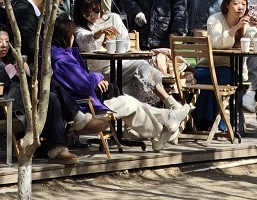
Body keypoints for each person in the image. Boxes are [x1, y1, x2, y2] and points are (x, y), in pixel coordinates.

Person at [50, 17, 191, 152]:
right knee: (130, 104)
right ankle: (164, 124)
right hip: (87, 107)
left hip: (88, 102)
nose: (73, 38)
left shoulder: (60, 56)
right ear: (66, 37)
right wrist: (98, 76)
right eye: (72, 35)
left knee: (130, 103)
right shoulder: (63, 60)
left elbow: (80, 82)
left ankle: (163, 128)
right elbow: (85, 85)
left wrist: (97, 80)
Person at [0, 24, 92, 165]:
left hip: (27, 104)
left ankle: (59, 149)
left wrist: (28, 72)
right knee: (43, 88)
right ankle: (76, 116)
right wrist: (8, 73)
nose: (4, 45)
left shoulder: (13, 58)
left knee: (50, 94)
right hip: (2, 109)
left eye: (7, 41)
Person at [193, 0, 257, 135]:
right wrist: (235, 28)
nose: (240, 7)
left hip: (235, 68)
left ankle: (208, 121)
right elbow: (216, 44)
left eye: (244, 4)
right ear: (227, 5)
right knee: (223, 76)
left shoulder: (245, 22)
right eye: (236, 3)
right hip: (209, 66)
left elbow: (254, 44)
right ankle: (212, 122)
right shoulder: (215, 19)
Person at [72, 0, 174, 106]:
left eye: (96, 11)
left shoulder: (113, 18)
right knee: (140, 65)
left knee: (141, 74)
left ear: (100, 6)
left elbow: (125, 41)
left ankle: (163, 108)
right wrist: (99, 33)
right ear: (81, 14)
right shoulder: (80, 28)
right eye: (87, 14)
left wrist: (112, 42)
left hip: (120, 64)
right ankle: (170, 104)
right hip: (101, 72)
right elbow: (83, 40)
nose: (93, 16)